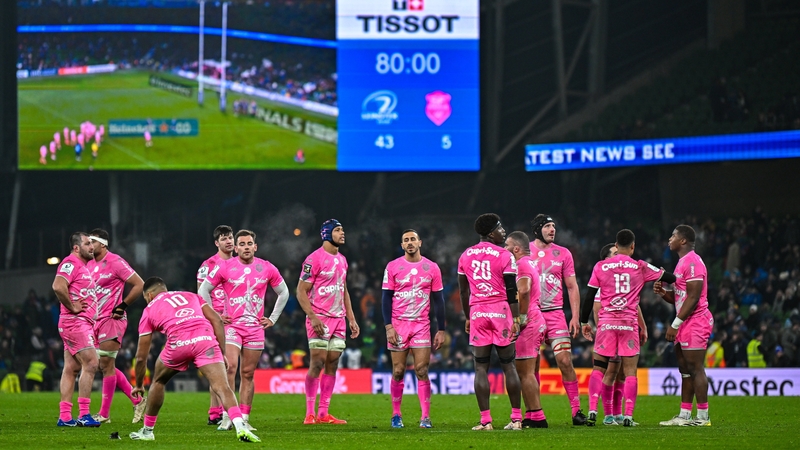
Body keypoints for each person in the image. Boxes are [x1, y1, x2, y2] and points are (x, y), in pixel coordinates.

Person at [129, 277, 260, 442]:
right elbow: (217, 320)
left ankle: (147, 431)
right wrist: (221, 352)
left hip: (178, 344)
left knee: (158, 381)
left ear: (149, 295)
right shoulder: (191, 296)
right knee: (222, 386)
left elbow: (141, 357)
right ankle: (240, 426)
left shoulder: (148, 309)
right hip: (205, 341)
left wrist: (139, 384)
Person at [580, 229, 675, 427]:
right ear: (632, 246)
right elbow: (668, 277)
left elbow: (589, 296)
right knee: (630, 372)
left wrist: (583, 322)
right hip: (628, 323)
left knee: (599, 369)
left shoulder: (601, 266)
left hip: (606, 323)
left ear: (616, 245)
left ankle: (592, 410)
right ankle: (628, 416)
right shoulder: (639, 266)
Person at [199, 229, 289, 431]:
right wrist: (215, 315)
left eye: (250, 244)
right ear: (236, 247)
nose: (246, 247)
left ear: (255, 247)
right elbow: (203, 290)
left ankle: (245, 419)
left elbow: (284, 292)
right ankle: (227, 416)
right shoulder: (225, 267)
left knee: (247, 373)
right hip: (232, 326)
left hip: (255, 328)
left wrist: (273, 318)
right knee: (229, 367)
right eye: (242, 244)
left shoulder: (266, 268)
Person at [457, 213, 522, 431]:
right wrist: (517, 317)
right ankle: (516, 419)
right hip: (501, 311)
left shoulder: (465, 255)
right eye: (500, 228)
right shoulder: (504, 255)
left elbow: (463, 291)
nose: (503, 231)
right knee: (508, 365)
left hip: (478, 312)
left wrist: (468, 316)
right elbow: (512, 290)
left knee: (480, 368)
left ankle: (485, 421)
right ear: (490, 233)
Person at [297, 219, 360, 425]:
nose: (343, 233)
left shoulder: (343, 260)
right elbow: (301, 291)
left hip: (339, 319)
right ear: (327, 234)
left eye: (343, 229)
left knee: (332, 362)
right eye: (338, 230)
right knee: (317, 362)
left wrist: (351, 317)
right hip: (320, 318)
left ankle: (323, 413)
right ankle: (309, 413)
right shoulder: (313, 259)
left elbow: (344, 290)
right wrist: (313, 317)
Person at [382, 229, 445, 429]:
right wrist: (389, 327)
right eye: (406, 240)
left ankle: (425, 417)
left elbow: (439, 300)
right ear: (402, 245)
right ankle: (396, 415)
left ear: (420, 243)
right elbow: (385, 298)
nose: (409, 243)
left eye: (413, 239)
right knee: (398, 370)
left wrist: (441, 329)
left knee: (421, 369)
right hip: (398, 325)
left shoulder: (432, 268)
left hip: (421, 325)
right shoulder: (393, 266)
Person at [528, 214, 586, 425]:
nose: (552, 230)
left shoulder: (563, 253)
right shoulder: (524, 252)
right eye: (547, 226)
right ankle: (534, 412)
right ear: (537, 229)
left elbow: (572, 286)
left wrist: (575, 317)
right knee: (532, 366)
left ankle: (576, 411)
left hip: (555, 314)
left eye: (554, 226)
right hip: (531, 314)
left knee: (564, 361)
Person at [654, 225, 714, 427]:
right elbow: (679, 298)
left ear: (683, 241)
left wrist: (675, 323)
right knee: (685, 369)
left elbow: (695, 297)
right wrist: (663, 293)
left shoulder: (693, 262)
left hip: (695, 320)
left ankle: (703, 417)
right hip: (685, 321)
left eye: (673, 236)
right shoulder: (681, 263)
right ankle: (684, 415)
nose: (669, 239)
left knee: (696, 368)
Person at [86, 228, 146, 424]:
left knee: (105, 365)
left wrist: (122, 305)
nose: (89, 246)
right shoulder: (89, 265)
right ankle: (137, 400)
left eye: (91, 242)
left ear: (102, 244)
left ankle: (104, 415)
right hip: (95, 321)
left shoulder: (115, 261)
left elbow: (139, 284)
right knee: (103, 365)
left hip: (112, 319)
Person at [585, 242, 649, 426]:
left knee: (621, 374)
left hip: (626, 327)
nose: (618, 256)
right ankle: (608, 415)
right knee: (611, 372)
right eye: (614, 253)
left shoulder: (624, 280)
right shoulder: (603, 282)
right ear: (605, 259)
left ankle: (618, 414)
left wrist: (642, 326)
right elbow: (597, 311)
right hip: (610, 331)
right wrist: (603, 334)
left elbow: (635, 305)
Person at [52, 232, 101, 427]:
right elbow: (57, 286)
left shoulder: (83, 266)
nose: (92, 247)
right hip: (75, 322)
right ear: (76, 248)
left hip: (79, 323)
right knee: (91, 363)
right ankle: (84, 414)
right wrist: (72, 307)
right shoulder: (70, 263)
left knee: (71, 369)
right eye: (88, 243)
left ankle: (65, 417)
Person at [504, 231, 548, 428]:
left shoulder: (521, 264)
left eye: (506, 246)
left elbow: (523, 289)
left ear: (516, 249)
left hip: (529, 322)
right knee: (529, 371)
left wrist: (520, 319)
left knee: (525, 372)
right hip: (536, 319)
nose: (504, 249)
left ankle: (538, 417)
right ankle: (531, 414)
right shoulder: (530, 263)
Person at [197, 225, 235, 425]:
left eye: (230, 237)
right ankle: (217, 411)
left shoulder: (240, 263)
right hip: (217, 321)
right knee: (221, 367)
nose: (228, 241)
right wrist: (216, 316)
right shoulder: (208, 265)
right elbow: (201, 295)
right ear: (216, 243)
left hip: (238, 320)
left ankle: (217, 411)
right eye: (224, 238)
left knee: (229, 368)